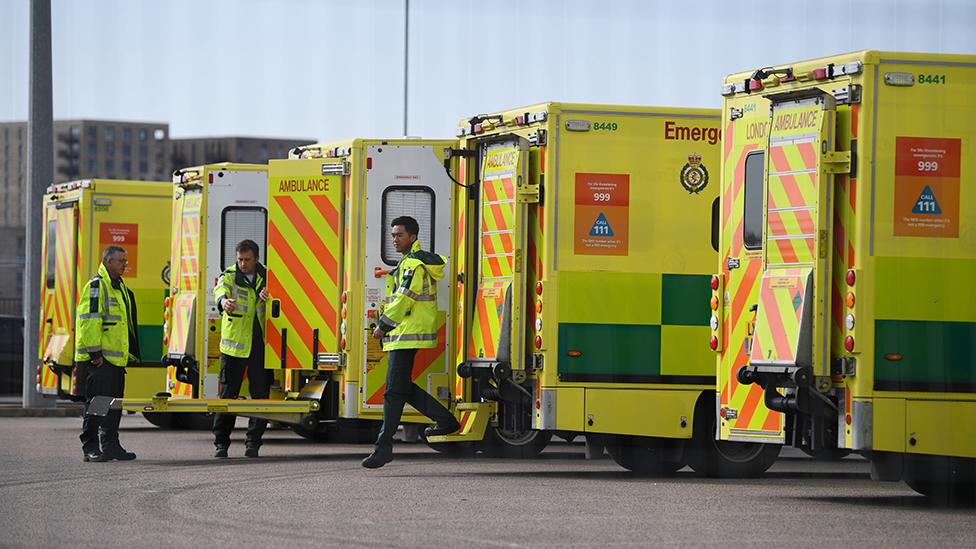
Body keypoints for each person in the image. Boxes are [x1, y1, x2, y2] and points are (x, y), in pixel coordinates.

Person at [362, 216, 460, 469]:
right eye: (393, 235)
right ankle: (446, 420)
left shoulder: (414, 265)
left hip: (406, 333)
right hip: (404, 334)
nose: (394, 239)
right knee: (400, 388)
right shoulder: (408, 262)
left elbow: (404, 299)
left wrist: (383, 325)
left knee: (393, 392)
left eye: (399, 235)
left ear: (413, 237)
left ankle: (383, 448)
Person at [77, 246, 141, 462]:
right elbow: (89, 322)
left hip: (114, 361)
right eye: (121, 261)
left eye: (125, 260)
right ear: (108, 262)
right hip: (99, 360)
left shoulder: (119, 287)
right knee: (97, 405)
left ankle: (111, 446)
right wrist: (95, 354)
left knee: (113, 406)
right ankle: (90, 448)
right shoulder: (97, 286)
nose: (125, 264)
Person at [211, 239, 271, 458]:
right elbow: (219, 291)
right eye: (239, 260)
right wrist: (223, 302)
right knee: (227, 396)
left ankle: (253, 443)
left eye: (247, 260)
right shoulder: (229, 275)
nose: (243, 264)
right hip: (234, 347)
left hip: (260, 344)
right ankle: (221, 444)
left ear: (256, 258)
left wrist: (269, 295)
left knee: (260, 398)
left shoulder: (268, 278)